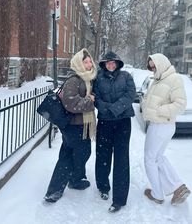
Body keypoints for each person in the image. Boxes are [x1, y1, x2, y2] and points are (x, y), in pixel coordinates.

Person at [44, 48, 97, 203]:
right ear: (78, 64)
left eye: (89, 62)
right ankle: (55, 190)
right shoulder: (73, 80)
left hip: (84, 124)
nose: (89, 65)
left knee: (80, 152)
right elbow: (71, 104)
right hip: (73, 126)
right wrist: (90, 101)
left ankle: (75, 179)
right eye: (85, 62)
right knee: (69, 157)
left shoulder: (88, 79)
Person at [142, 53, 191, 205]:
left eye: (154, 66)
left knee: (149, 159)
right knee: (158, 157)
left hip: (161, 124)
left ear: (161, 63)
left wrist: (158, 111)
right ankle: (178, 188)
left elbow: (180, 104)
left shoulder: (174, 78)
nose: (152, 69)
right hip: (161, 125)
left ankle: (157, 194)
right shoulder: (158, 79)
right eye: (151, 67)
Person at [93, 51, 136, 213]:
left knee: (121, 159)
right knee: (102, 155)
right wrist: (107, 110)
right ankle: (103, 186)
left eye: (113, 63)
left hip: (123, 122)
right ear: (104, 65)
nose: (110, 65)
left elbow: (130, 94)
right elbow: (96, 98)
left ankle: (119, 199)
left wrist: (115, 109)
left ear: (118, 64)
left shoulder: (126, 76)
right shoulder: (99, 78)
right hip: (105, 122)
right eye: (107, 63)